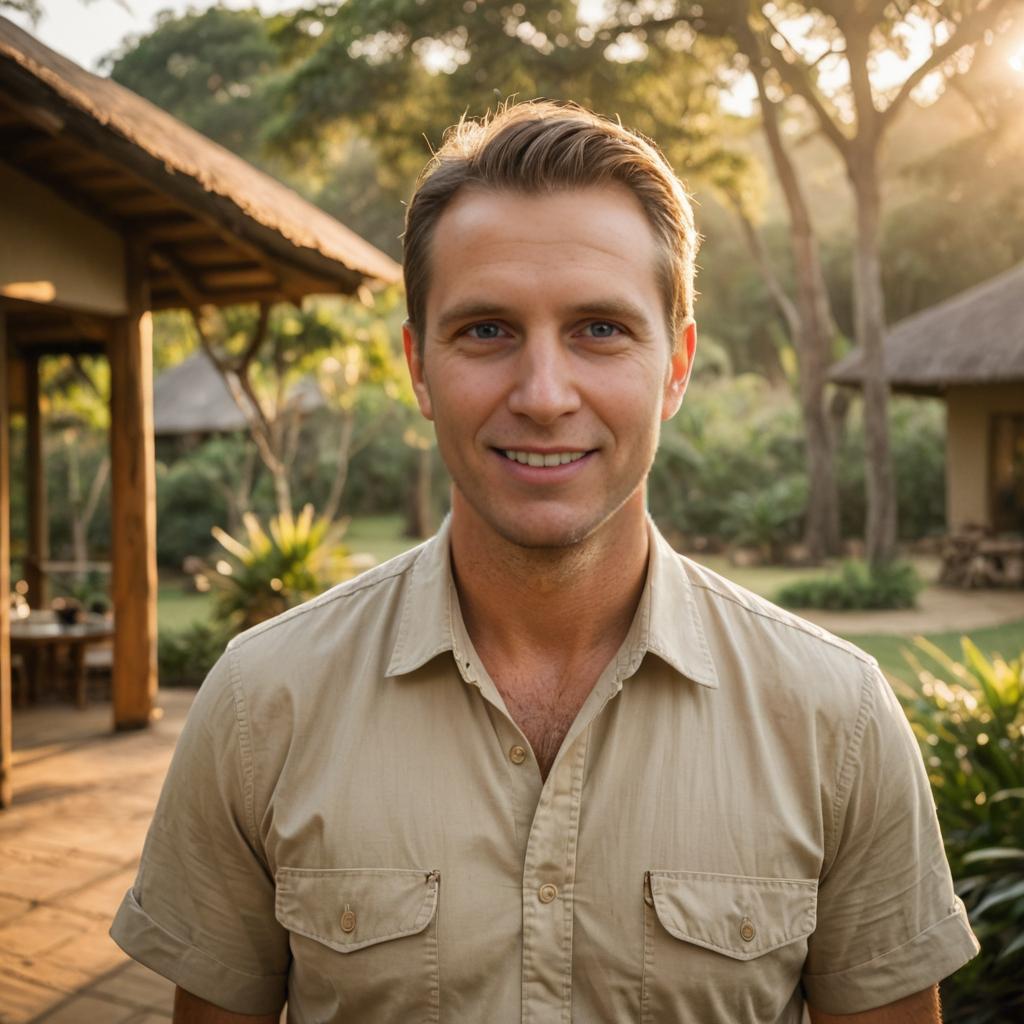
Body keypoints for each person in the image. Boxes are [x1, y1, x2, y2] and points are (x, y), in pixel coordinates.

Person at [111, 100, 978, 1024]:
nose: (543, 395)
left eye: (600, 329)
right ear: (417, 366)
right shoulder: (262, 704)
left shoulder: (834, 721)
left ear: (676, 366)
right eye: (485, 330)